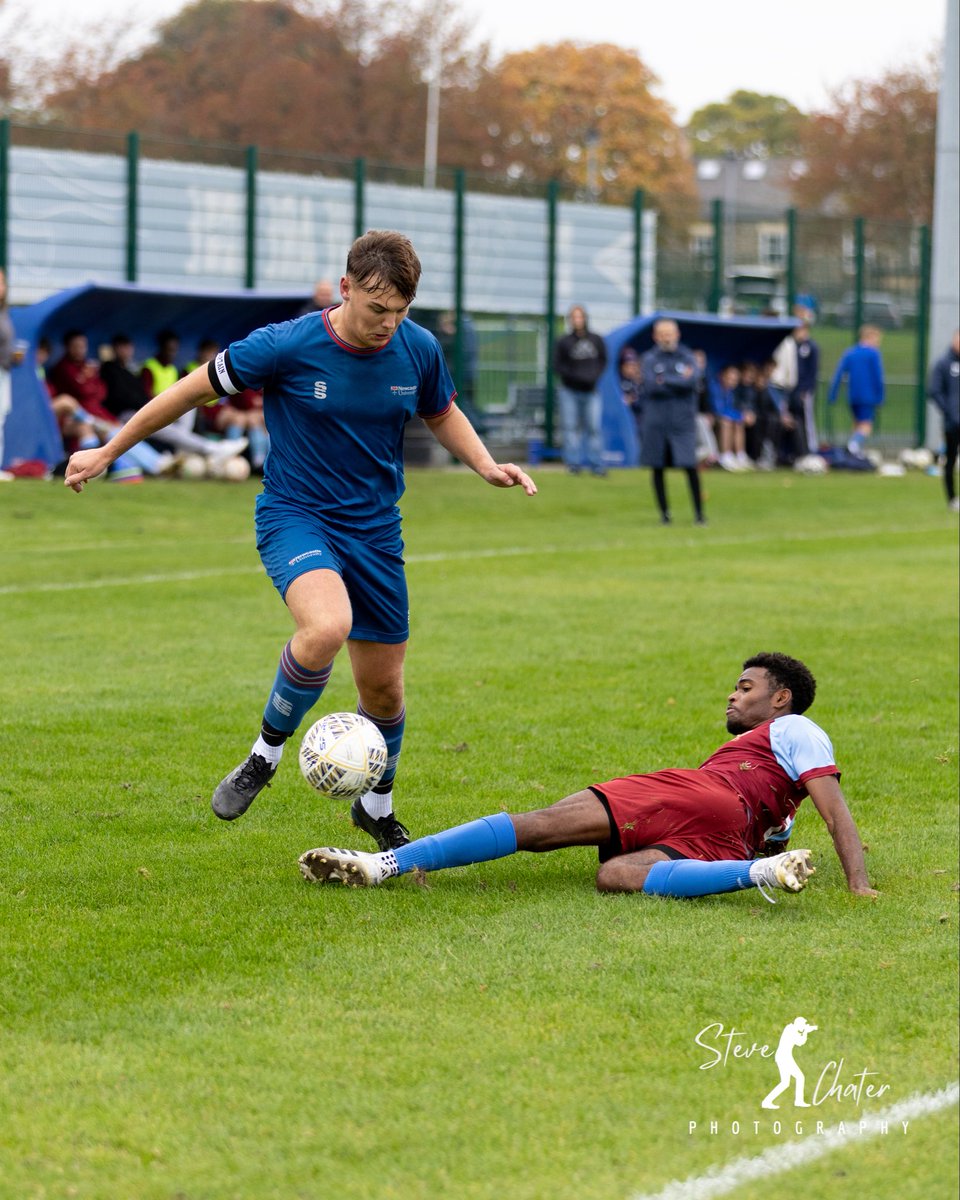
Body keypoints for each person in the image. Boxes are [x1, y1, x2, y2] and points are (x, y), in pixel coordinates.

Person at [64, 229, 537, 850]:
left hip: (375, 531)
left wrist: (484, 464)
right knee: (325, 627)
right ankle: (264, 756)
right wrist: (109, 449)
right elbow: (189, 391)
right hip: (297, 516)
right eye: (376, 310)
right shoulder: (285, 344)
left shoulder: (418, 349)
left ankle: (376, 806)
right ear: (346, 289)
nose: (387, 324)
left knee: (384, 690)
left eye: (399, 311)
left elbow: (441, 411)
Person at [299, 652, 877, 901]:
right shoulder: (776, 771)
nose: (732, 693)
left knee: (541, 825)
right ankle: (762, 875)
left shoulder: (796, 728)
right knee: (616, 876)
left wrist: (858, 883)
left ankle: (384, 864)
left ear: (781, 699)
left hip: (704, 798)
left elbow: (837, 811)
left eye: (745, 687)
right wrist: (772, 851)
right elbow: (792, 816)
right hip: (730, 840)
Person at [639, 318, 706, 523]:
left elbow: (693, 381)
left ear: (677, 334)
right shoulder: (649, 358)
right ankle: (665, 514)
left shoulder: (687, 356)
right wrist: (678, 381)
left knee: (689, 466)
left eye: (670, 333)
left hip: (682, 421)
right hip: (657, 422)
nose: (667, 337)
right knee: (657, 466)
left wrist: (665, 380)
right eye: (662, 333)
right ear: (655, 336)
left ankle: (699, 514)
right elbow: (651, 386)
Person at [552, 304, 608, 476]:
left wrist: (592, 376)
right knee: (570, 428)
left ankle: (597, 465)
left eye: (580, 316)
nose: (577, 320)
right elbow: (557, 366)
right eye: (574, 317)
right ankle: (573, 465)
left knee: (594, 428)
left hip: (591, 391)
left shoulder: (596, 339)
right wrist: (576, 377)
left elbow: (603, 361)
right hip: (569, 391)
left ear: (585, 318)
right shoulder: (563, 341)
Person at [828, 325, 884, 457]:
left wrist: (833, 394)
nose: (878, 343)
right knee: (866, 426)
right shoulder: (873, 354)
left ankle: (856, 453)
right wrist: (880, 396)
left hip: (853, 396)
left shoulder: (850, 352)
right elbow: (878, 377)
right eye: (877, 340)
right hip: (868, 396)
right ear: (869, 337)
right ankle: (853, 445)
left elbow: (839, 374)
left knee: (857, 423)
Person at [927, 330, 960, 512]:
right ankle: (952, 499)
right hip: (952, 423)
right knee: (951, 459)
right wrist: (950, 412)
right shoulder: (943, 363)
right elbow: (934, 391)